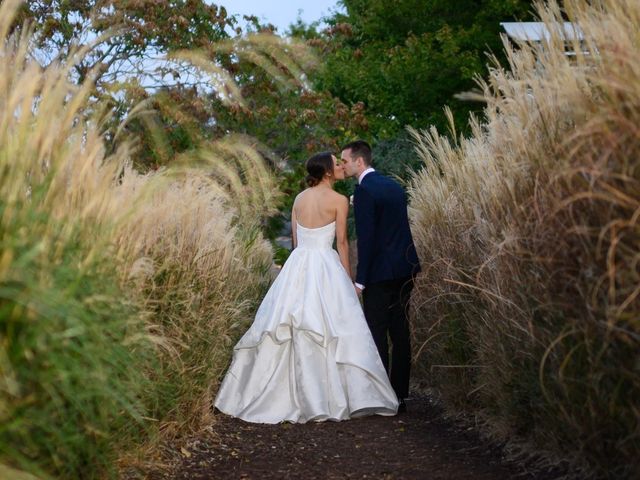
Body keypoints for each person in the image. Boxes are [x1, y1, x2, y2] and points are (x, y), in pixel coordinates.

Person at [214, 151, 398, 423]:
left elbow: (296, 242)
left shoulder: (299, 199)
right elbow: (343, 243)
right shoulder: (338, 201)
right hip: (325, 262)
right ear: (326, 172)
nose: (340, 167)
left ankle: (284, 394)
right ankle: (329, 396)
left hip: (298, 264)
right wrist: (348, 281)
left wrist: (298, 270)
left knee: (290, 325)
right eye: (336, 164)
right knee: (331, 327)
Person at [341, 140, 421, 413]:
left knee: (377, 331)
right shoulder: (394, 187)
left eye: (345, 161)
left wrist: (360, 280)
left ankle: (380, 394)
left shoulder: (364, 191)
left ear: (359, 162)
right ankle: (399, 395)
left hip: (379, 274)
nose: (343, 165)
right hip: (405, 268)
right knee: (400, 332)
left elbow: (368, 239)